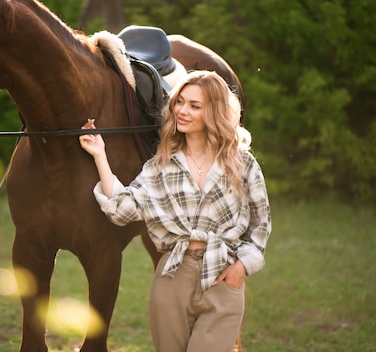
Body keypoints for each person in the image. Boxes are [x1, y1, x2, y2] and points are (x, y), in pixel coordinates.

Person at [79, 70, 271, 352]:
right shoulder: (161, 166)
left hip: (224, 274)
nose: (182, 110)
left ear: (214, 111)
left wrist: (242, 267)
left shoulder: (242, 163)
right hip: (172, 276)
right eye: (179, 102)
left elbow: (260, 224)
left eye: (194, 106)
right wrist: (100, 155)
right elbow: (122, 209)